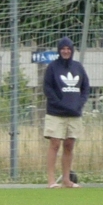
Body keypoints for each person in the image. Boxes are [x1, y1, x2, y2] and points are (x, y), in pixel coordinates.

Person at [41, 36, 88, 188]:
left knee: (69, 145)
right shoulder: (52, 67)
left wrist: (79, 104)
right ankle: (51, 180)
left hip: (74, 114)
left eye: (68, 49)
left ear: (72, 50)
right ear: (59, 50)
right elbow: (48, 89)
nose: (66, 51)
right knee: (54, 144)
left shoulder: (78, 67)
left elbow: (85, 89)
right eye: (63, 49)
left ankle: (66, 180)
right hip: (56, 113)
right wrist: (60, 104)